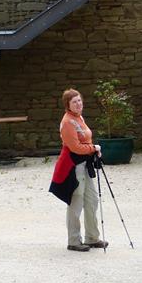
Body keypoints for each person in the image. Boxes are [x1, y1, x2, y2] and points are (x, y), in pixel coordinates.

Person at [49, 88, 108, 252]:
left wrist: (93, 149)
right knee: (76, 201)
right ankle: (74, 241)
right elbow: (75, 147)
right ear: (67, 105)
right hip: (73, 166)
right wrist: (93, 148)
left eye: (79, 100)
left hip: (84, 164)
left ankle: (92, 238)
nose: (78, 104)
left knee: (92, 200)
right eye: (74, 102)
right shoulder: (68, 122)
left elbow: (85, 140)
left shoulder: (79, 117)